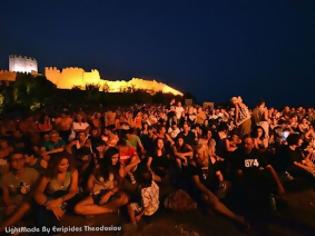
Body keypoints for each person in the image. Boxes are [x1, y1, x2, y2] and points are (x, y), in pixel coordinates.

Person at [187, 144, 249, 228]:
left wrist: (221, 181)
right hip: (202, 190)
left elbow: (218, 173)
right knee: (210, 198)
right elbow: (198, 184)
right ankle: (236, 218)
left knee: (227, 185)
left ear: (205, 153)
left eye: (199, 153)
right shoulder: (193, 164)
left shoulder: (211, 160)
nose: (197, 155)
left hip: (213, 185)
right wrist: (209, 193)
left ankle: (213, 206)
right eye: (196, 153)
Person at [33, 152, 79, 228]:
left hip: (66, 198)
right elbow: (38, 192)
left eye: (67, 163)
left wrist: (59, 200)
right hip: (51, 199)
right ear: (55, 165)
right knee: (42, 213)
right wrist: (49, 204)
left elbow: (73, 191)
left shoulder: (72, 171)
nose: (66, 166)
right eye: (62, 164)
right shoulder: (48, 175)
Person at [0, 152, 39, 230]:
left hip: (28, 205)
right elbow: (6, 195)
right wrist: (10, 205)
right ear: (10, 162)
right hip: (13, 205)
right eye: (14, 160)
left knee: (25, 207)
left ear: (24, 160)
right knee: (7, 211)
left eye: (20, 159)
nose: (18, 162)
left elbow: (38, 192)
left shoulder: (32, 173)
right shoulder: (5, 178)